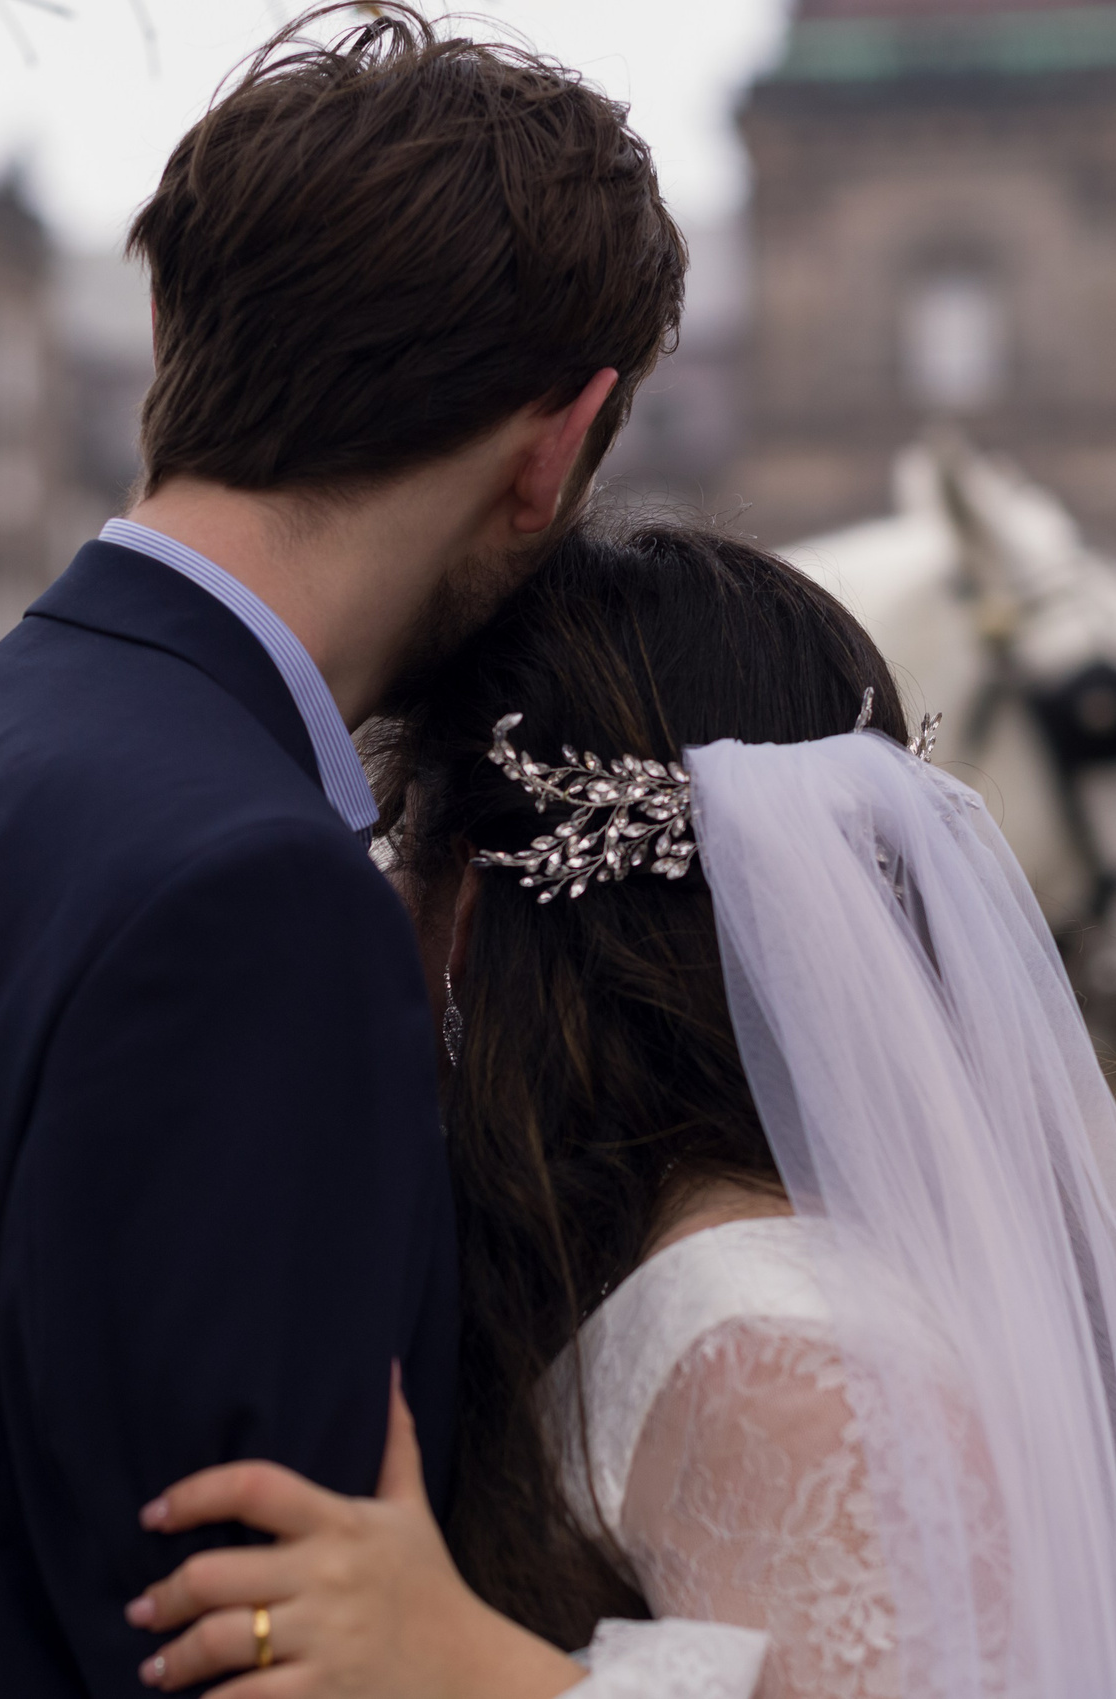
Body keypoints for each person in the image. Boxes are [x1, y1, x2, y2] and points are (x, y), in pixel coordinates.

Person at [0, 6, 685, 1692]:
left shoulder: (24, 736)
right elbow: (243, 1639)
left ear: (164, 325)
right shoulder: (255, 891)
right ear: (555, 446)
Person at [128, 523, 1116, 1699]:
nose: (386, 900)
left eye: (408, 843)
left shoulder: (778, 1354)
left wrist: (460, 1665)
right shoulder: (692, 1293)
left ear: (475, 920)